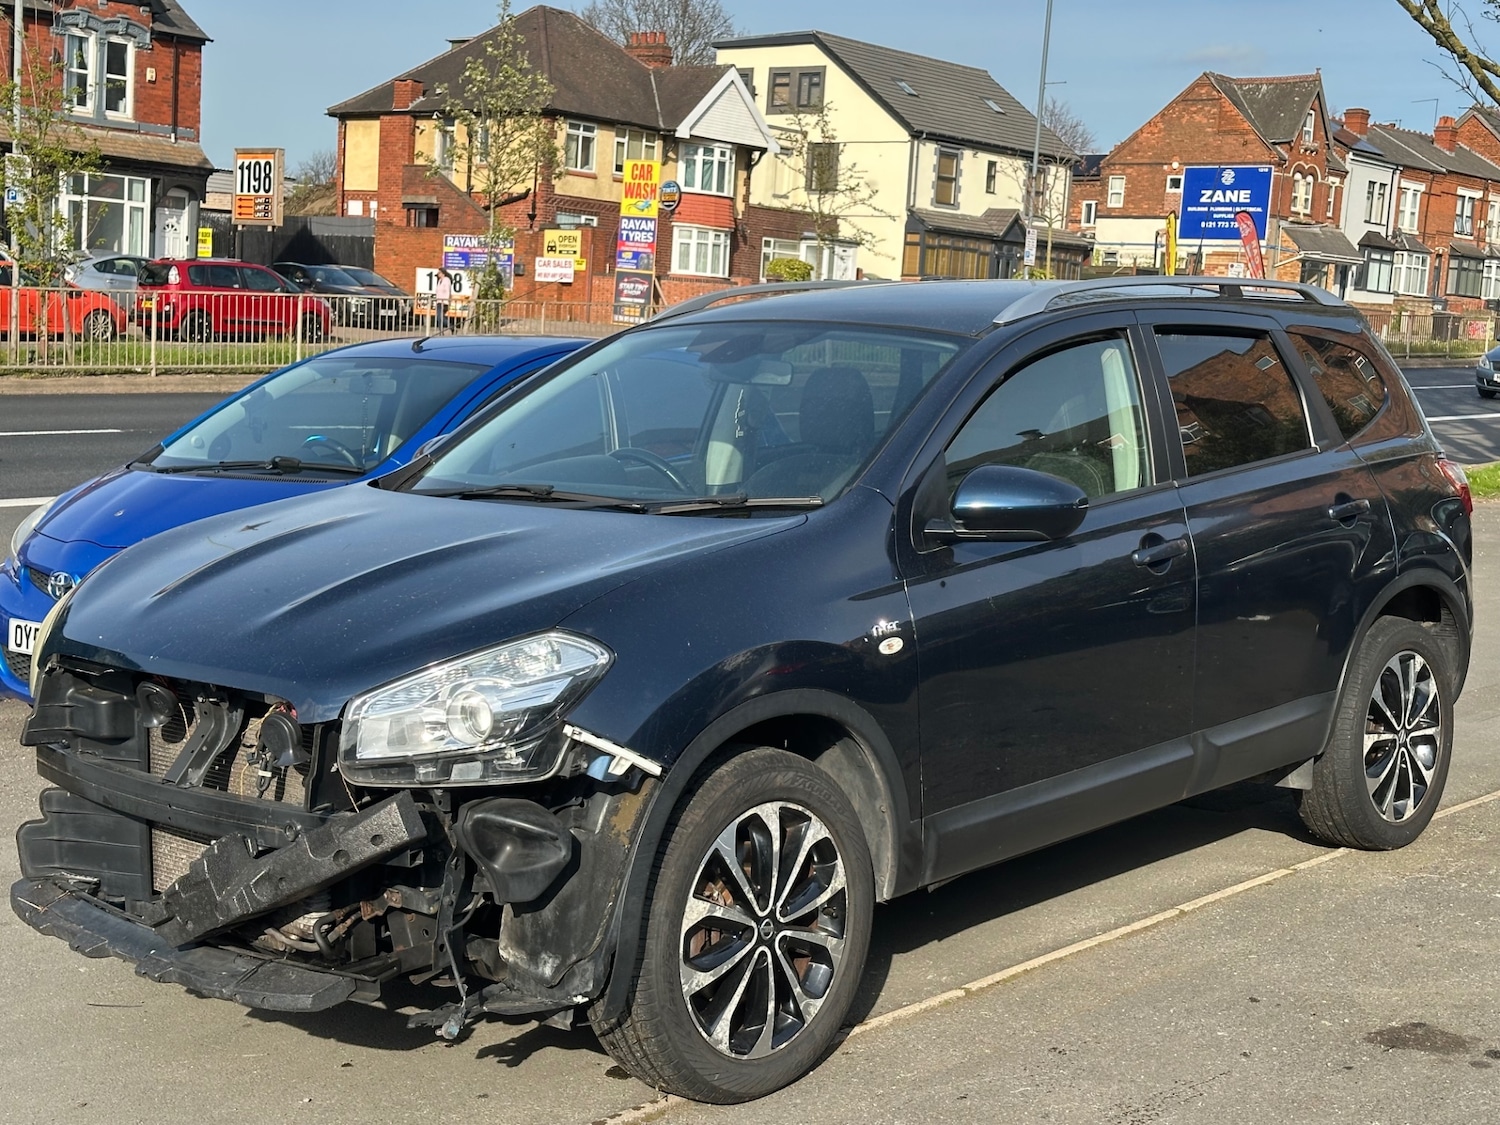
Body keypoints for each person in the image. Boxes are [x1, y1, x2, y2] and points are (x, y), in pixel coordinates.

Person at [434, 267, 453, 333]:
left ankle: (451, 327)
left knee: (441, 317)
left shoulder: (447, 280)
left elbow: (448, 291)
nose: (438, 275)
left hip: (444, 301)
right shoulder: (439, 281)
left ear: (443, 273)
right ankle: (441, 331)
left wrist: (447, 300)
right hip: (439, 301)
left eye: (439, 273)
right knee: (439, 317)